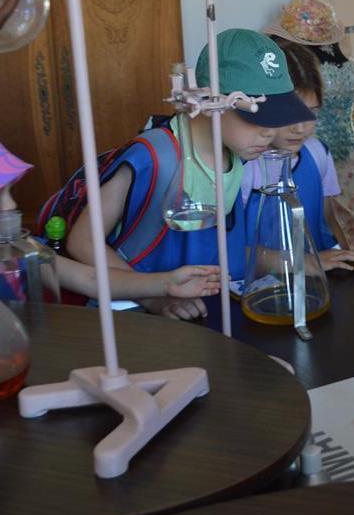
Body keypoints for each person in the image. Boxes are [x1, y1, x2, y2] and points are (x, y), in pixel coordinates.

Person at [42, 30, 314, 320]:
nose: (270, 132)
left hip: (201, 307)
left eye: (277, 118)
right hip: (131, 315)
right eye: (258, 117)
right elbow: (83, 242)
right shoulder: (153, 156)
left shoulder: (237, 155)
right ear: (210, 102)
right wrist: (151, 297)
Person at [0, 143, 221, 316]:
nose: (10, 204)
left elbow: (91, 279)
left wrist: (166, 284)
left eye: (9, 192)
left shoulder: (21, 250)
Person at [241, 38, 354, 271]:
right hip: (262, 286)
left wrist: (345, 257)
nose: (299, 128)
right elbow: (230, 250)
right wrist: (301, 262)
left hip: (315, 281)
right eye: (288, 114)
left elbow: (328, 219)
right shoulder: (246, 167)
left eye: (310, 113)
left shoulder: (318, 154)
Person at [266, 0, 354, 251]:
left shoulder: (299, 70)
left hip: (330, 154)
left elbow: (330, 218)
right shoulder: (337, 61)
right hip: (331, 152)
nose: (298, 123)